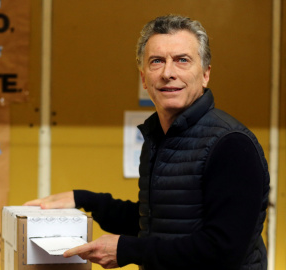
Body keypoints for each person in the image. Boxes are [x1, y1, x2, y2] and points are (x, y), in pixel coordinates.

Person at [25, 14, 270, 270]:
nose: (168, 73)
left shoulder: (231, 144)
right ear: (144, 78)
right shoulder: (159, 136)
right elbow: (157, 222)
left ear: (206, 74)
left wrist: (126, 250)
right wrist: (87, 200)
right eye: (157, 61)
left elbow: (222, 250)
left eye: (182, 60)